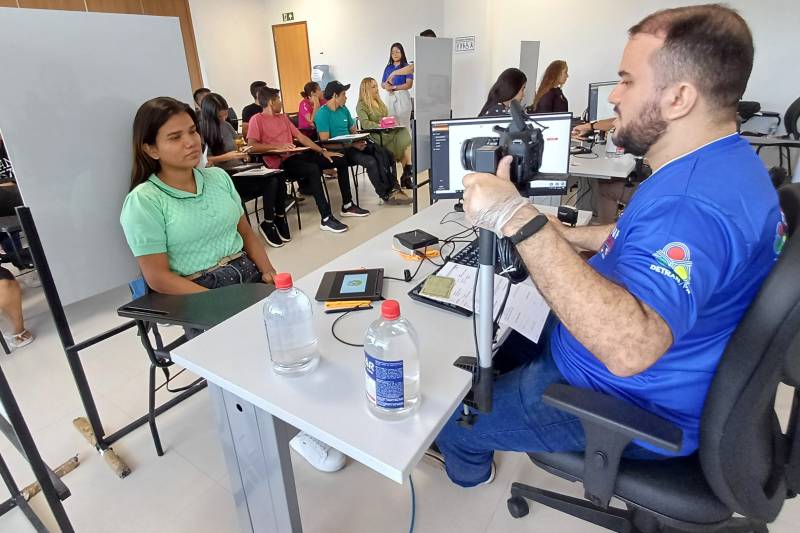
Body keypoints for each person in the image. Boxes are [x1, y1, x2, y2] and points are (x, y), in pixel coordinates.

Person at [433, 4, 783, 488]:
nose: (614, 95)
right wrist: (559, 231)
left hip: (620, 398)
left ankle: (467, 467)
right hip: (633, 370)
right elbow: (641, 241)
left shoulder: (692, 204)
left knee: (451, 419)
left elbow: (629, 348)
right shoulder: (718, 165)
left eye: (627, 81)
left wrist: (515, 217)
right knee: (497, 334)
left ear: (679, 97)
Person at [120, 97, 345, 473]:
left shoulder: (218, 178)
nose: (191, 142)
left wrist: (269, 273)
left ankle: (314, 410)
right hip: (195, 290)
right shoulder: (144, 200)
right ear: (149, 148)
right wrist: (216, 303)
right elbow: (157, 277)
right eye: (174, 137)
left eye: (192, 131)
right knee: (254, 357)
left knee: (300, 331)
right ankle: (295, 428)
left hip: (245, 272)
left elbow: (247, 234)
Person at [248, 86, 370, 233]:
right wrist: (278, 147)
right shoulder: (256, 120)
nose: (280, 102)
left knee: (339, 159)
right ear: (270, 102)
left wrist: (323, 151)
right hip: (279, 163)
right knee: (312, 169)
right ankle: (326, 218)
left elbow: (301, 137)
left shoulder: (283, 118)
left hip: (295, 156)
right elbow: (252, 146)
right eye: (278, 99)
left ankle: (347, 204)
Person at [198, 92, 290, 248]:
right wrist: (226, 156)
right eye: (220, 117)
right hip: (224, 176)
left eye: (225, 115)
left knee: (277, 176)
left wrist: (244, 155)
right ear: (210, 114)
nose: (224, 119)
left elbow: (238, 145)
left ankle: (274, 220)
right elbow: (202, 162)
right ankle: (268, 224)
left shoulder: (227, 126)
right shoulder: (201, 131)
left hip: (241, 169)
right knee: (271, 181)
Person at [315, 81, 410, 205]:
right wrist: (352, 144)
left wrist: (359, 139)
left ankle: (394, 189)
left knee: (385, 153)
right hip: (341, 149)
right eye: (343, 94)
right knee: (370, 161)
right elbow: (326, 143)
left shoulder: (344, 110)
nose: (346, 97)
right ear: (335, 95)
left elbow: (354, 130)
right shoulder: (322, 114)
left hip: (353, 144)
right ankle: (386, 194)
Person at [356, 77, 413, 188]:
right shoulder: (361, 105)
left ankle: (407, 171)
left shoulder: (378, 101)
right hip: (375, 135)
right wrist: (379, 125)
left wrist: (389, 121)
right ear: (366, 89)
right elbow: (365, 124)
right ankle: (407, 175)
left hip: (386, 131)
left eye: (376, 85)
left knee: (403, 133)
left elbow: (386, 117)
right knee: (401, 143)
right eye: (373, 87)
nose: (377, 89)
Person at [381, 43, 413, 127]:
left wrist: (394, 87)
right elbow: (382, 83)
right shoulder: (388, 67)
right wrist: (386, 86)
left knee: (404, 124)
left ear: (402, 53)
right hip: (389, 96)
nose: (395, 54)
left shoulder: (407, 66)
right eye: (392, 52)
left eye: (397, 52)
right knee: (391, 124)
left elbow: (409, 84)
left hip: (402, 96)